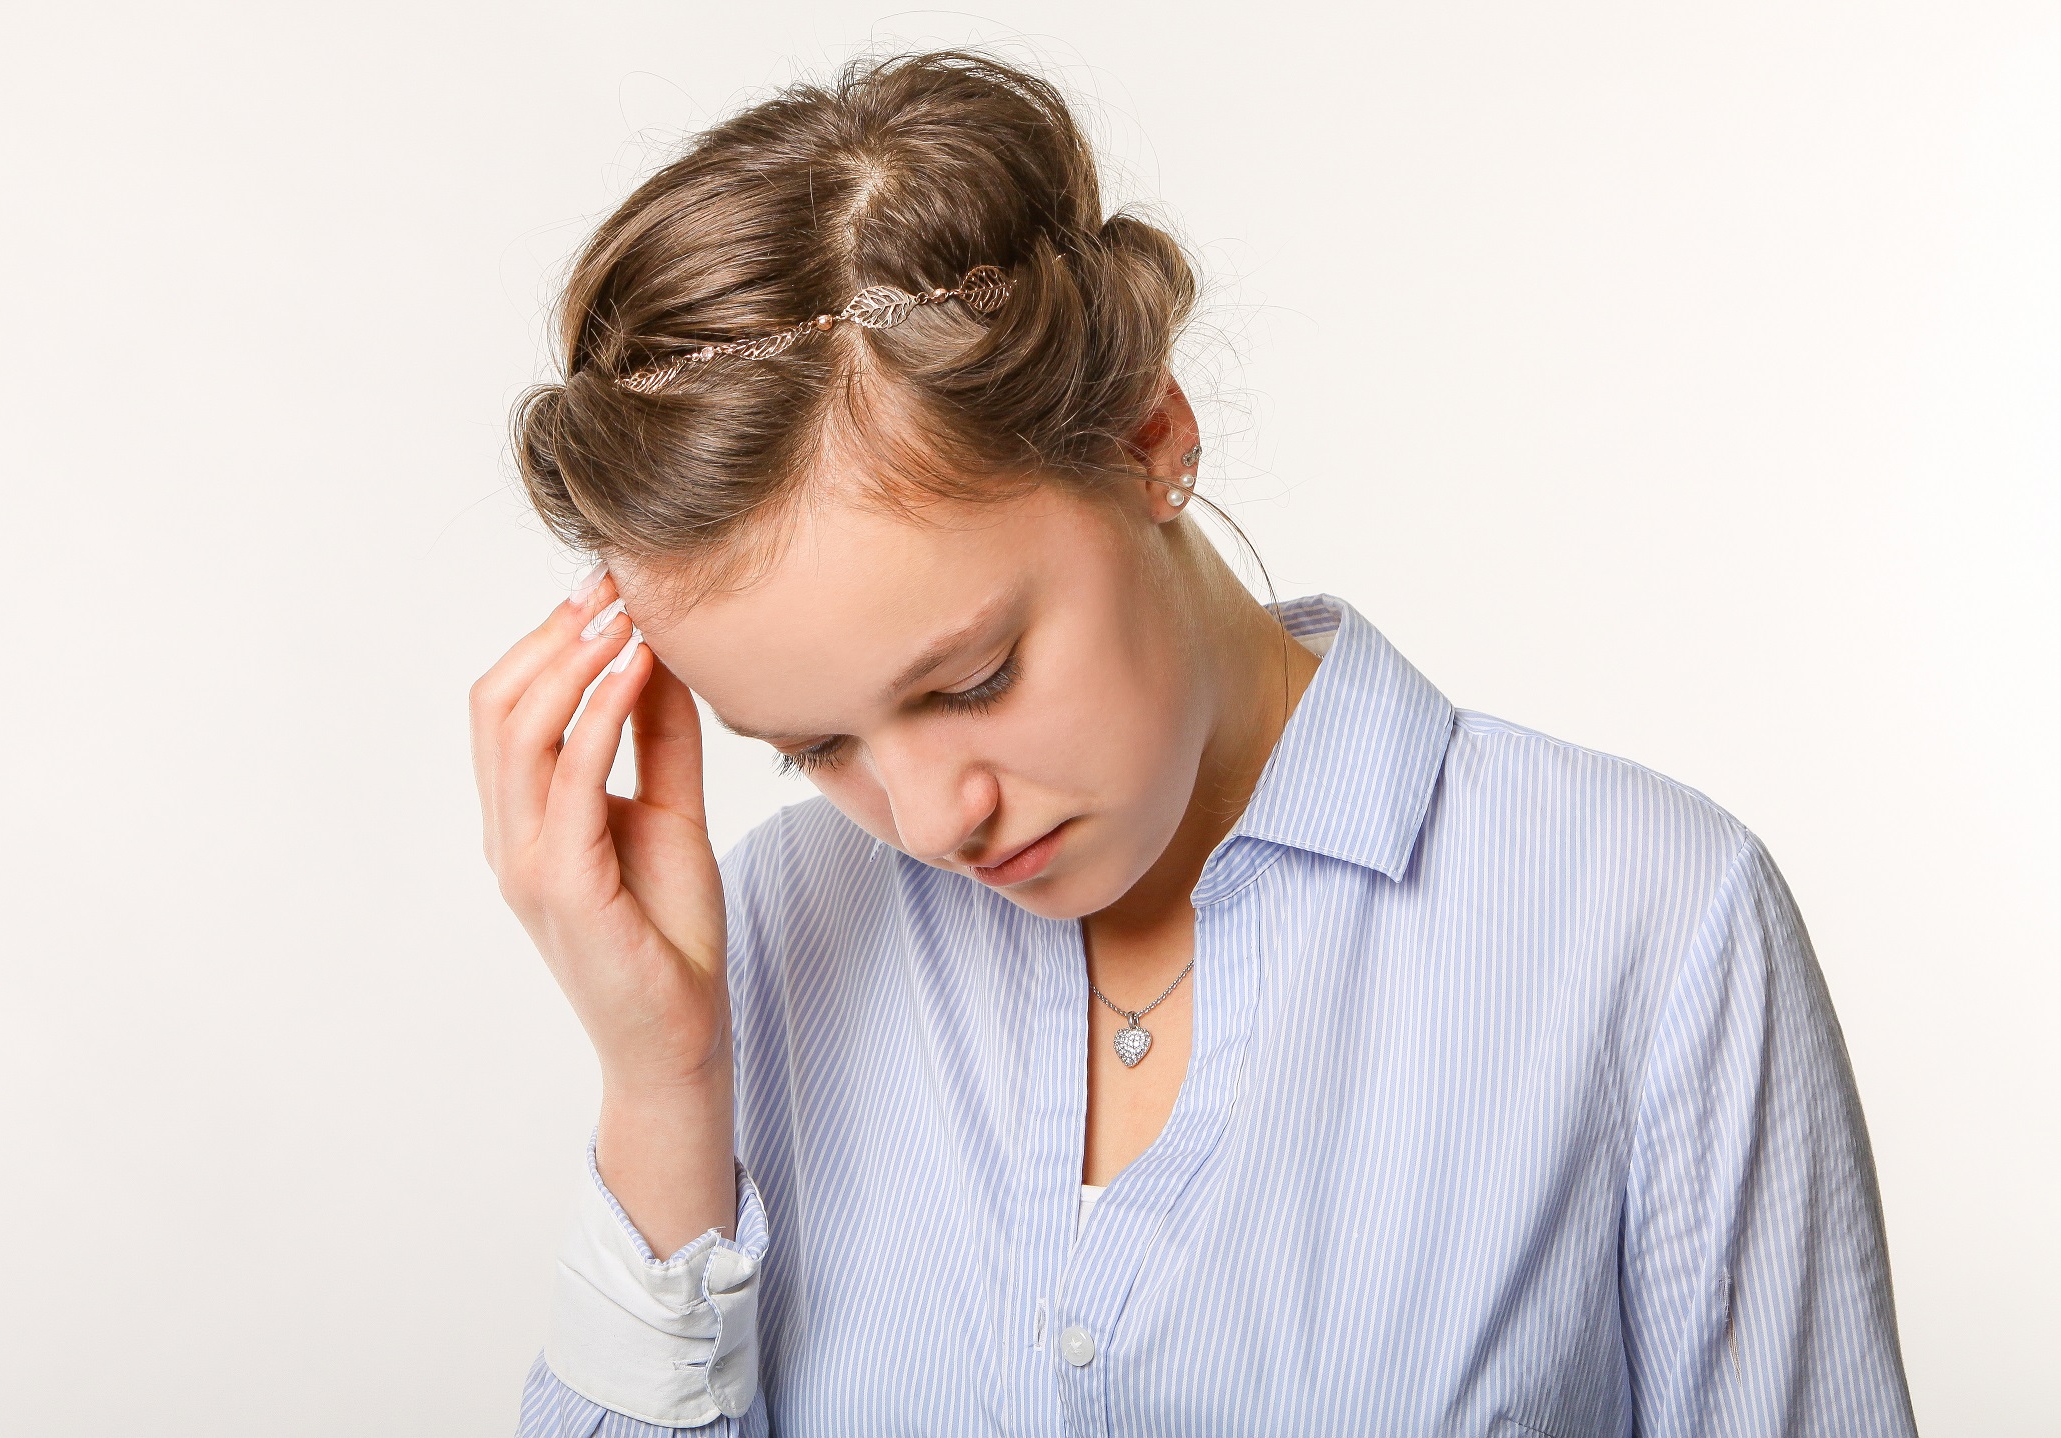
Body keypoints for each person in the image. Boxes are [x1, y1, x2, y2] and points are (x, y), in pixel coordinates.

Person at [470, 48, 1917, 1437]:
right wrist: (664, 1088)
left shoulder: (1650, 922)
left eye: (973, 679)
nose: (926, 818)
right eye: (810, 746)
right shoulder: (778, 942)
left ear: (1151, 434)